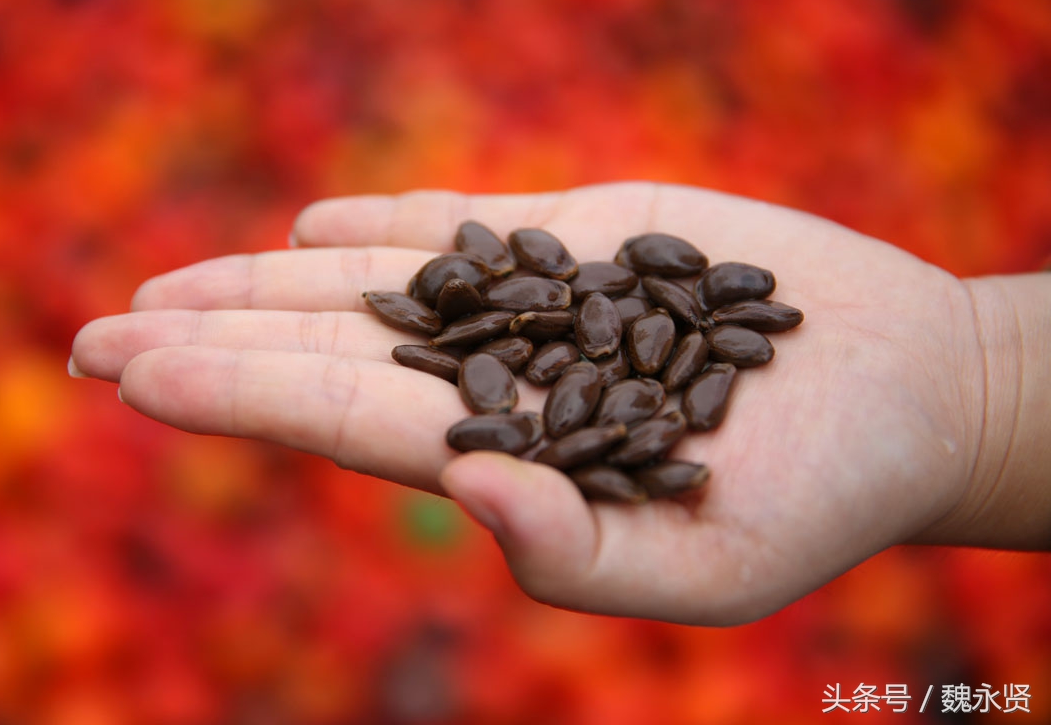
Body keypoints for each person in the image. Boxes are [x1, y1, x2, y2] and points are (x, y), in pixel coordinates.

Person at [68, 183, 1051, 626]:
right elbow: (557, 349)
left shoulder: (645, 340)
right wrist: (980, 377)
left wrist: (980, 382)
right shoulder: (587, 331)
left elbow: (626, 352)